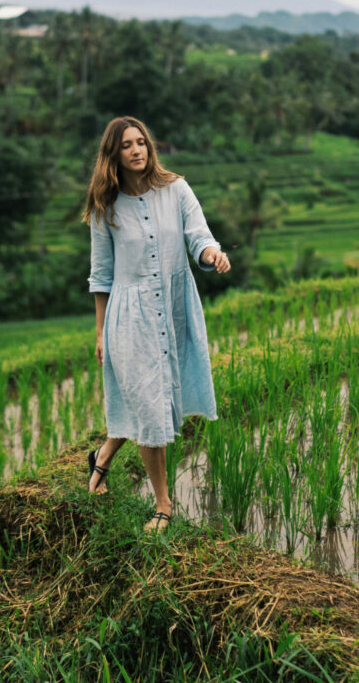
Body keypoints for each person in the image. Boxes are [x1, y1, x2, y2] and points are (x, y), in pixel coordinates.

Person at [82, 115, 230, 532]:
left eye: (141, 142)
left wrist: (211, 255)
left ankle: (102, 458)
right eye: (126, 144)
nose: (136, 150)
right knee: (148, 404)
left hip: (174, 306)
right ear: (113, 154)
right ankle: (164, 504)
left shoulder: (176, 189)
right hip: (129, 318)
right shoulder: (104, 208)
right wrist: (100, 333)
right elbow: (101, 276)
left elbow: (199, 237)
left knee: (156, 401)